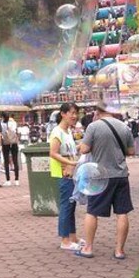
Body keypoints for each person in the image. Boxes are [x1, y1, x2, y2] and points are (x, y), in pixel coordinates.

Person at [76, 101, 135, 259]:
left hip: (100, 175)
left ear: (97, 111)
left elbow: (84, 149)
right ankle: (119, 250)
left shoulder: (93, 127)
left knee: (92, 211)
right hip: (121, 175)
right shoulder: (124, 127)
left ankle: (88, 248)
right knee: (122, 212)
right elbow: (131, 151)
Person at [49, 103, 82, 251]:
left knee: (71, 205)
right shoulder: (57, 132)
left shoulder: (67, 131)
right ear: (63, 114)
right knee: (66, 206)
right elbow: (53, 153)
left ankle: (73, 237)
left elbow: (71, 150)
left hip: (72, 173)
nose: (74, 116)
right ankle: (65, 240)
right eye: (72, 113)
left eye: (76, 113)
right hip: (65, 174)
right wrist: (70, 162)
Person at [1, 113, 20, 187]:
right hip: (14, 142)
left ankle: (8, 180)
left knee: (6, 161)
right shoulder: (14, 123)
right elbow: (17, 132)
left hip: (5, 143)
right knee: (15, 161)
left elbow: (1, 134)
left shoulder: (2, 124)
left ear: (2, 117)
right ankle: (17, 180)